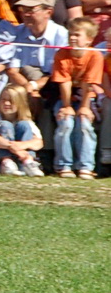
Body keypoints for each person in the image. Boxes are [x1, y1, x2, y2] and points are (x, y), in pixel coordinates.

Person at [50, 17, 102, 178]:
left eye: (77, 35)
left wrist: (85, 107)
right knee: (66, 123)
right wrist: (66, 106)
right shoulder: (62, 54)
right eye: (71, 34)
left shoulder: (95, 56)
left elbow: (89, 83)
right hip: (65, 97)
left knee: (85, 124)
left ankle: (85, 166)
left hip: (87, 97)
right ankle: (64, 165)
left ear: (88, 40)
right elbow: (64, 82)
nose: (72, 38)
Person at [0, 86, 43, 176]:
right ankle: (6, 163)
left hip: (21, 157)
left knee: (24, 125)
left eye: (11, 100)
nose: (6, 103)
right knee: (6, 125)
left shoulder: (27, 121)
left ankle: (28, 163)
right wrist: (11, 146)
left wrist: (21, 145)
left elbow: (39, 143)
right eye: (3, 100)